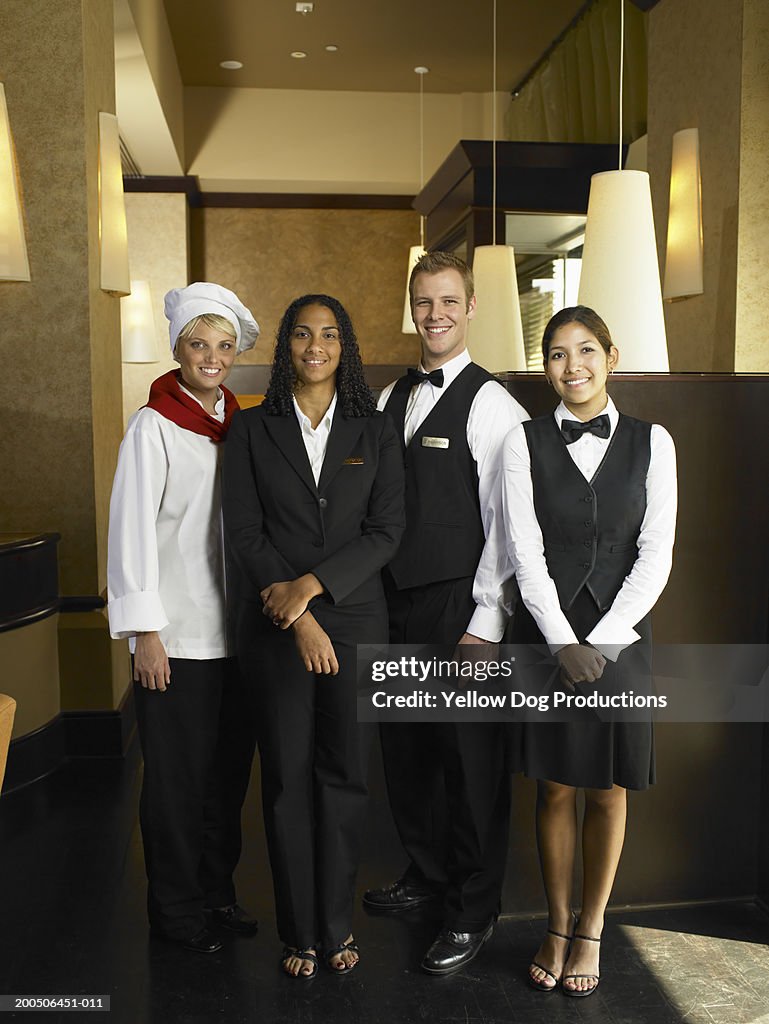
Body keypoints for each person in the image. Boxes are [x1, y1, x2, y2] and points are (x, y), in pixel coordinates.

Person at [222, 294, 404, 979]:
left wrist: (314, 588)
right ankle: (299, 931)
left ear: (344, 345)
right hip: (275, 626)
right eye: (302, 333)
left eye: (329, 334)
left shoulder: (375, 429)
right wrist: (296, 612)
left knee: (346, 777)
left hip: (358, 622)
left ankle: (335, 927)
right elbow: (243, 533)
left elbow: (386, 532)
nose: (315, 345)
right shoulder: (251, 428)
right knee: (288, 780)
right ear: (286, 346)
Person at [501, 305, 677, 997]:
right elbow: (524, 550)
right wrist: (561, 640)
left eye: (583, 352)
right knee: (553, 785)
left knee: (605, 789)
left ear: (609, 354)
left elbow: (656, 552)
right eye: (554, 354)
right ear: (544, 366)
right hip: (550, 634)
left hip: (621, 637)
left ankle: (591, 928)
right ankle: (554, 922)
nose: (570, 367)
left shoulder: (652, 441)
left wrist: (600, 643)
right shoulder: (523, 441)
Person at [363, 251, 529, 976]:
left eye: (447, 302)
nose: (434, 314)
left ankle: (472, 909)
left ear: (469, 309)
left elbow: (509, 525)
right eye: (423, 302)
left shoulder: (493, 405)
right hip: (393, 602)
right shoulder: (388, 397)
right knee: (409, 753)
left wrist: (485, 623)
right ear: (413, 306)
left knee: (469, 764)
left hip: (460, 604)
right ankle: (426, 874)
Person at [107, 282, 260, 953]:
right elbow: (131, 532)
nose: (211, 357)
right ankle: (175, 914)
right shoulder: (154, 426)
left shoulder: (242, 425)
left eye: (223, 346)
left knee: (226, 783)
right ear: (178, 349)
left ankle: (215, 896)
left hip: (238, 638)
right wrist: (145, 633)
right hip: (175, 638)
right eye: (199, 344)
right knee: (175, 786)